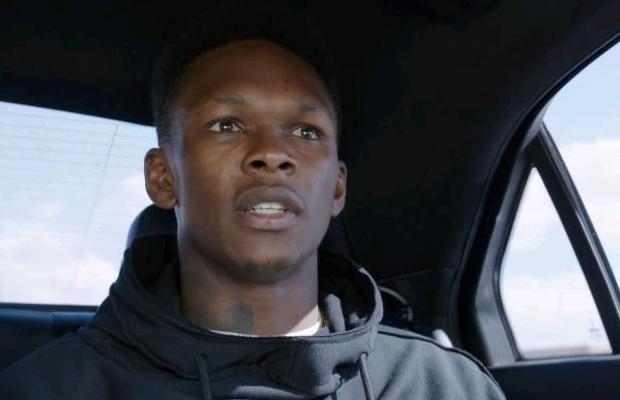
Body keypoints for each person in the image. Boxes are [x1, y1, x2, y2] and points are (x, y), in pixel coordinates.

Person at [0, 3, 505, 399]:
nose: (272, 153)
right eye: (227, 125)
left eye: (305, 131)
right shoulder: (50, 389)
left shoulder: (442, 387)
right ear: (162, 177)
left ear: (337, 188)